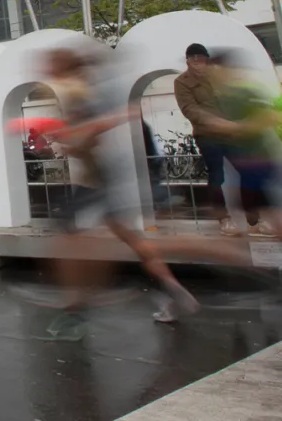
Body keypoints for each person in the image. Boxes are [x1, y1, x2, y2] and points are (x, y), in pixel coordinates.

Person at [37, 48, 199, 333]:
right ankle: (171, 287)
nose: (44, 68)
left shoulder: (75, 91)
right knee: (130, 238)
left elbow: (88, 136)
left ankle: (79, 303)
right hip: (106, 175)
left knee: (67, 231)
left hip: (95, 177)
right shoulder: (88, 89)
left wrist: (66, 139)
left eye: (49, 63)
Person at [204, 50, 281, 238]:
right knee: (258, 206)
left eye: (214, 69)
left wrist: (235, 127)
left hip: (257, 159)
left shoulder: (245, 90)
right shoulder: (221, 95)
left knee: (268, 207)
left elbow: (270, 116)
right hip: (243, 162)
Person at [174, 43, 242, 236]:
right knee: (216, 176)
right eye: (192, 58)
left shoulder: (217, 76)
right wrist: (215, 122)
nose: (197, 62)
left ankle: (255, 216)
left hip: (231, 133)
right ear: (187, 60)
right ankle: (224, 219)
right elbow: (189, 109)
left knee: (246, 169)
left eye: (201, 58)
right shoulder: (182, 82)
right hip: (207, 135)